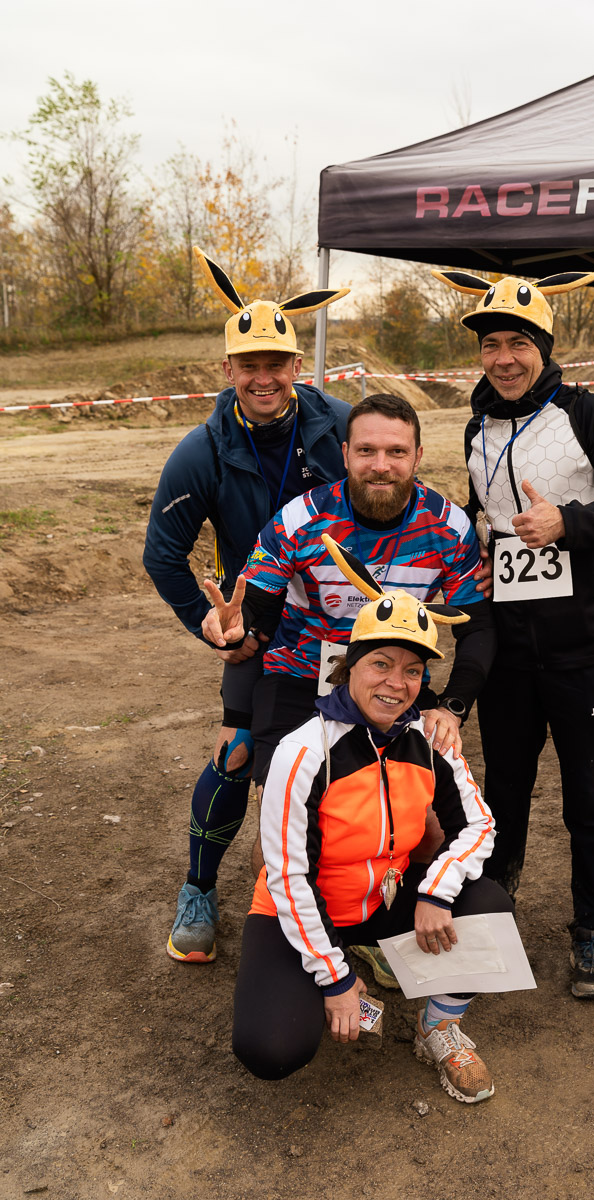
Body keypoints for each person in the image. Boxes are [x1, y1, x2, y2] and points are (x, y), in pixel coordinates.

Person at [433, 269, 594, 999]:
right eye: (491, 345)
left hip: (583, 650)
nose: (503, 358)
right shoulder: (475, 426)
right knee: (502, 795)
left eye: (518, 343)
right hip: (509, 652)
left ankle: (590, 935)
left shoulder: (590, 416)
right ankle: (493, 916)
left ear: (544, 346)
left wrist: (569, 521)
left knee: (589, 803)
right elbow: (485, 517)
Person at [201, 393, 495, 979]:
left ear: (417, 456)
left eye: (396, 452)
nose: (380, 465)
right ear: (344, 454)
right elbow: (256, 611)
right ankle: (310, 944)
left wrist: (453, 707)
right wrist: (236, 629)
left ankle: (387, 925)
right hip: (300, 679)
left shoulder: (449, 526)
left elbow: (479, 628)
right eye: (366, 451)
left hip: (392, 682)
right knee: (284, 829)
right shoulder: (300, 519)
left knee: (428, 825)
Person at [231, 548, 514, 1103]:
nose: (396, 683)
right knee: (270, 1049)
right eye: (381, 663)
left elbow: (479, 826)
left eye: (413, 670)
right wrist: (334, 978)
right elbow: (289, 877)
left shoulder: (429, 739)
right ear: (350, 664)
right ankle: (330, 972)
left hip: (385, 903)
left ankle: (437, 1027)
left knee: (488, 904)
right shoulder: (303, 751)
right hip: (307, 910)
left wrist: (435, 891)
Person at [142, 246, 351, 964]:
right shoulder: (203, 450)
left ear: (298, 365)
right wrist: (211, 628)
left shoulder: (341, 427)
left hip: (342, 625)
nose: (264, 377)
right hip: (257, 629)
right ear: (228, 368)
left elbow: (391, 492)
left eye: (277, 363)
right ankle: (199, 888)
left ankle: (350, 898)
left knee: (354, 756)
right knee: (238, 753)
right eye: (249, 364)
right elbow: (162, 556)